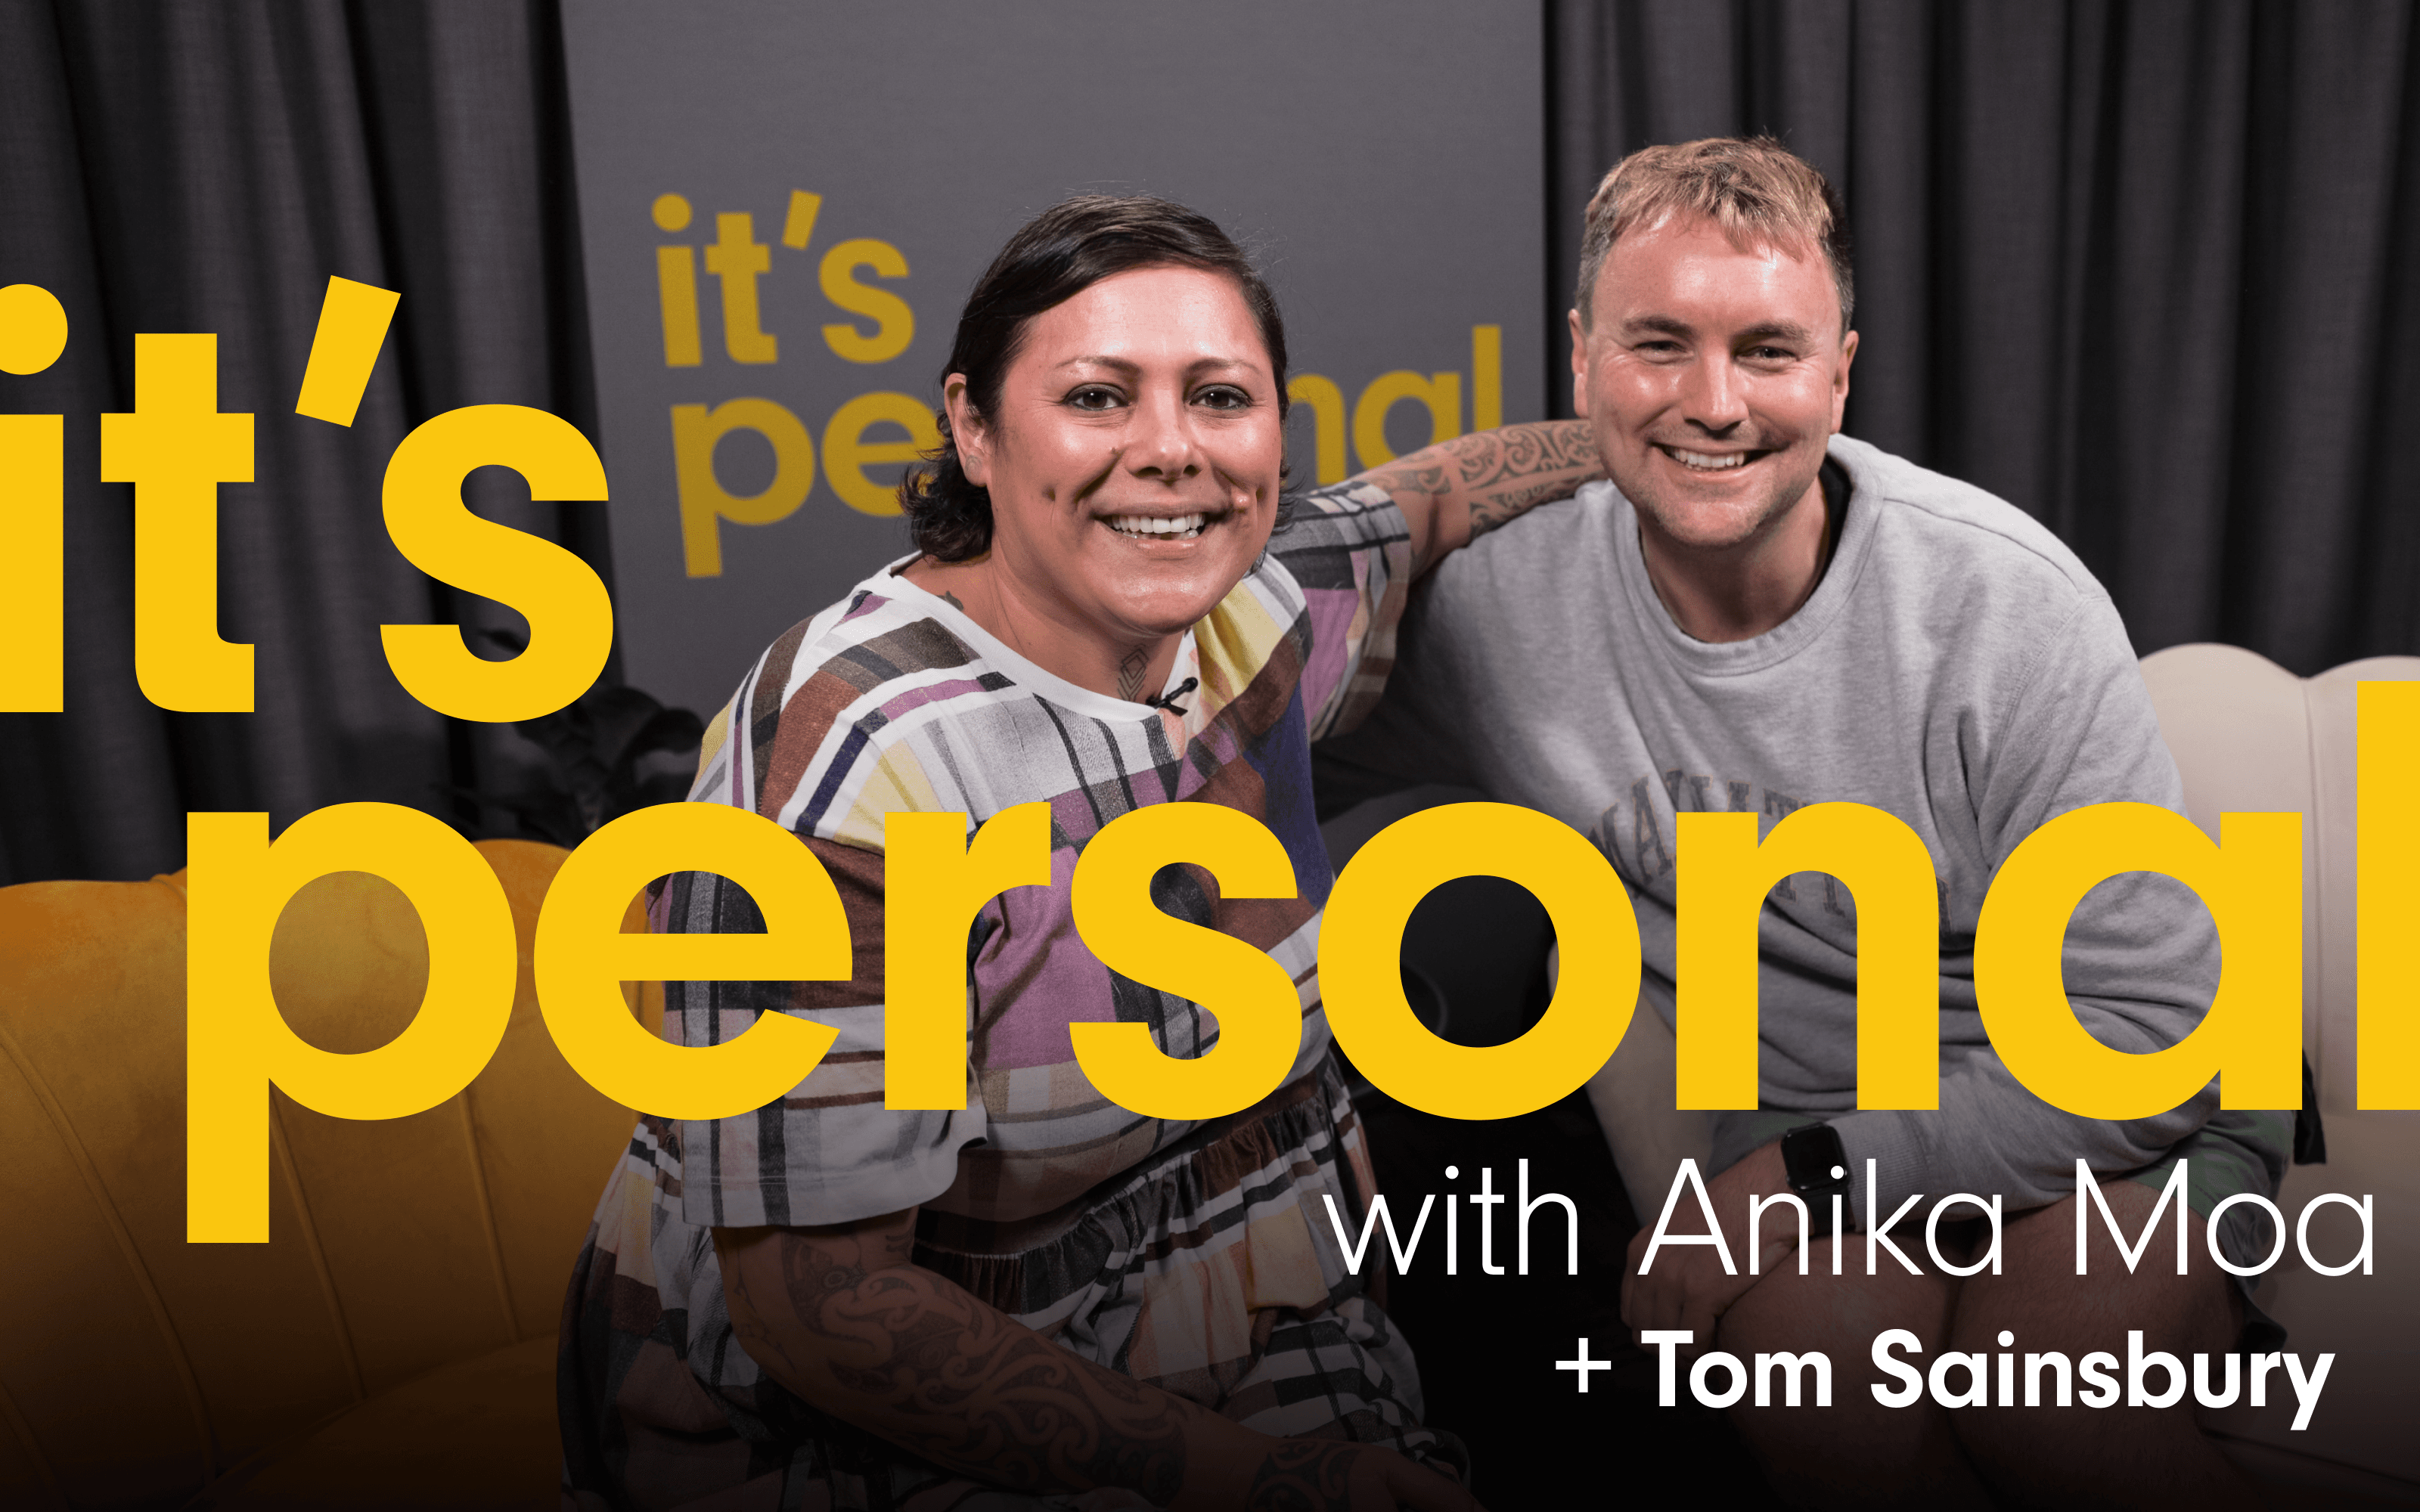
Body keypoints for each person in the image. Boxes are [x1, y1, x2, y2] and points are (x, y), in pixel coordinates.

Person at [557, 194, 1601, 1511]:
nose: (1171, 451)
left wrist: (1663, 430)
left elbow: (1439, 495)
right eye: (1099, 397)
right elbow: (823, 1306)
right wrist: (1249, 1481)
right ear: (975, 429)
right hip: (885, 1384)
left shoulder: (1265, 606)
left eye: (1221, 398)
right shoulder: (855, 770)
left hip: (1247, 1285)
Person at [1315, 138, 2290, 1510]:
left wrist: (1796, 1178)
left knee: (2049, 1403)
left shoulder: (2003, 605)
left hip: (2112, 1099)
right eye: (1661, 346)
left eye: (1768, 351)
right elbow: (1236, 723)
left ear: (1840, 370)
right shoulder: (1498, 613)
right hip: (1827, 1125)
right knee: (1811, 1389)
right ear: (1582, 358)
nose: (1715, 404)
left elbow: (2154, 1035)